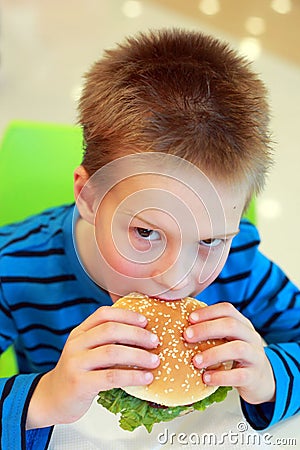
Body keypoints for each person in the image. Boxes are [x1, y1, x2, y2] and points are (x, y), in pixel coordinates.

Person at [0, 28, 299, 450]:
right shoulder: (13, 268)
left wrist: (271, 377)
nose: (177, 280)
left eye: (210, 240)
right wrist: (44, 398)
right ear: (88, 195)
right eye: (146, 232)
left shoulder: (240, 264)